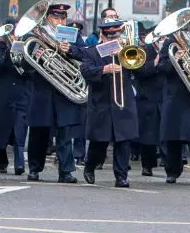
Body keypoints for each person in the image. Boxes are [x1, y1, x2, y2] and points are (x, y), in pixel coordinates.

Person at [26, 3, 85, 183]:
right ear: (47, 18)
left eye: (63, 17)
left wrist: (71, 50)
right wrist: (40, 54)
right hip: (43, 89)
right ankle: (35, 169)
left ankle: (66, 171)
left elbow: (85, 54)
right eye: (56, 17)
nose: (60, 21)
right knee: (39, 132)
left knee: (64, 132)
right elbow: (26, 63)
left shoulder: (73, 35)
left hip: (65, 90)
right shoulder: (33, 35)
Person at [80, 19, 138, 187]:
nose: (114, 39)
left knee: (123, 142)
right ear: (103, 36)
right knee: (99, 144)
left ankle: (121, 176)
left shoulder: (126, 51)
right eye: (111, 36)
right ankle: (90, 165)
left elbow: (140, 69)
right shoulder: (92, 52)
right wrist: (103, 70)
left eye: (117, 35)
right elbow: (85, 70)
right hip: (102, 104)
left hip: (123, 104)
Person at [0, 18, 33, 175]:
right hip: (2, 96)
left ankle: (20, 164)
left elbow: (32, 72)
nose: (14, 35)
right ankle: (1, 162)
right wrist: (5, 57)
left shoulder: (25, 48)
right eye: (12, 32)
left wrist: (23, 62)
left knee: (20, 129)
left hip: (21, 94)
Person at [157, 35, 190, 185]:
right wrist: (174, 60)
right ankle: (172, 171)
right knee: (173, 136)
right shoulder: (169, 43)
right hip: (174, 94)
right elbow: (160, 67)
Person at [132, 35, 164, 177]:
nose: (163, 39)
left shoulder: (171, 49)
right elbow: (139, 70)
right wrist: (155, 62)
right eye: (161, 37)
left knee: (167, 134)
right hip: (148, 97)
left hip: (166, 96)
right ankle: (147, 165)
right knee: (148, 136)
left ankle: (170, 166)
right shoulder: (144, 50)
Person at [68, 19, 88, 166]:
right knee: (64, 122)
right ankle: (64, 153)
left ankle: (80, 153)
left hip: (77, 81)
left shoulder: (77, 39)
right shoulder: (55, 36)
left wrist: (69, 49)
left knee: (80, 120)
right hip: (63, 80)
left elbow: (84, 53)